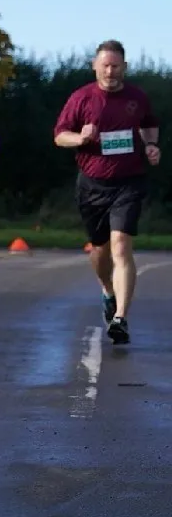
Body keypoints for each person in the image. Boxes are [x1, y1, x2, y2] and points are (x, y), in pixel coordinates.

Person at [54, 39, 160, 345]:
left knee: (121, 246)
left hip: (129, 182)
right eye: (105, 65)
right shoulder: (82, 98)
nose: (110, 71)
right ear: (95, 66)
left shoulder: (137, 98)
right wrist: (80, 138)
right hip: (92, 184)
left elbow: (149, 125)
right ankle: (107, 290)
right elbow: (59, 136)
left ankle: (121, 318)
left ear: (124, 67)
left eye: (116, 66)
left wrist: (151, 146)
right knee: (100, 251)